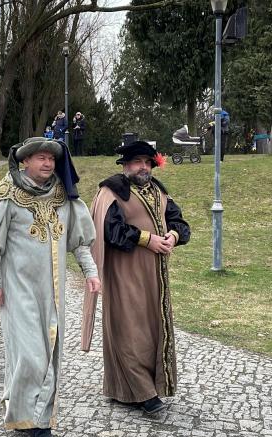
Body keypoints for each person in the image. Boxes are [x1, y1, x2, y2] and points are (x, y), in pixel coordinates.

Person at [0, 137, 100, 437]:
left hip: (53, 295)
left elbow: (79, 241)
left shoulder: (62, 196)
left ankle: (30, 413)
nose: (47, 164)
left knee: (48, 354)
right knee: (31, 357)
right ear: (25, 161)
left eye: (51, 159)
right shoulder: (6, 196)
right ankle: (38, 426)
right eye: (41, 158)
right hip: (19, 292)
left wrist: (91, 271)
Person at [81, 141, 190, 415]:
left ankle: (129, 389)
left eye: (147, 162)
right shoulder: (112, 192)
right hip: (124, 274)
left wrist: (171, 237)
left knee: (153, 328)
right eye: (138, 162)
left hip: (155, 276)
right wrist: (147, 240)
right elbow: (111, 231)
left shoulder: (159, 192)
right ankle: (143, 392)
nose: (143, 167)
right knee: (128, 330)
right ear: (126, 165)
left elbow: (180, 223)